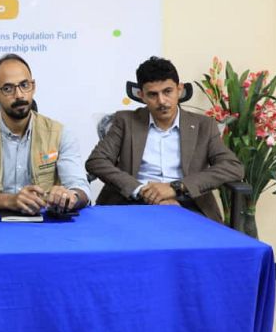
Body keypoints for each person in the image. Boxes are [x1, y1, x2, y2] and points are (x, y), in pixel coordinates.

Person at [86, 56, 244, 222]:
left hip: (187, 204)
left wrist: (176, 187)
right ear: (141, 95)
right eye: (152, 95)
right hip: (132, 203)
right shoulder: (125, 121)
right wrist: (141, 190)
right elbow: (97, 161)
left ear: (179, 89)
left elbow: (232, 167)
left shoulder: (204, 125)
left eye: (167, 91)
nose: (161, 101)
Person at [0, 53, 90, 215]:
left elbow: (81, 188)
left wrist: (71, 196)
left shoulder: (60, 134)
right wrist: (10, 201)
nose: (19, 95)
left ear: (33, 86)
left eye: (24, 85)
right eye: (8, 88)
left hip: (46, 223)